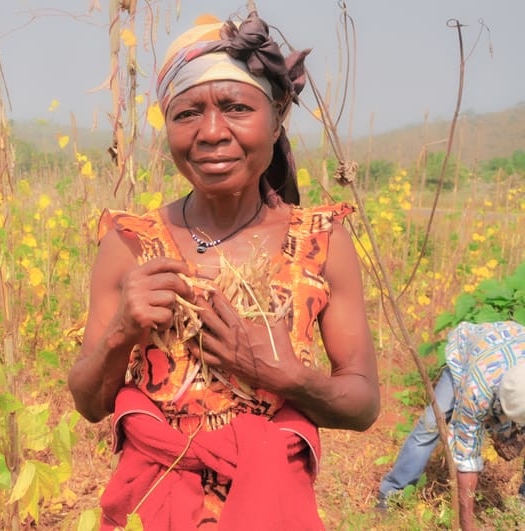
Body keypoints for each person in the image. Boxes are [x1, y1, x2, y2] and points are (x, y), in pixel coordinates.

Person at [68, 10, 380, 530]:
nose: (211, 133)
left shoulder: (321, 241)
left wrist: (283, 376)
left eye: (236, 107)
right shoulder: (129, 243)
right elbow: (90, 402)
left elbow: (363, 403)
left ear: (277, 118)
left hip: (271, 508)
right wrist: (123, 329)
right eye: (187, 114)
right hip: (153, 509)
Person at [376, 320, 525, 531]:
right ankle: (391, 493)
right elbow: (466, 458)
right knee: (431, 424)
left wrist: (516, 436)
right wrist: (467, 526)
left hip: (510, 345)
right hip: (467, 357)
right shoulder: (476, 391)